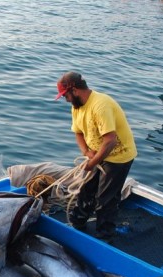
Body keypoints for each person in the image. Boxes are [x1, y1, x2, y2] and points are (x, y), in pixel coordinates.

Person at [54, 71, 137, 238]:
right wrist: (86, 152)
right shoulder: (77, 107)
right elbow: (78, 133)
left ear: (75, 90)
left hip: (118, 156)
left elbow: (110, 140)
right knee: (86, 189)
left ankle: (104, 235)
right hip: (96, 154)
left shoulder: (101, 105)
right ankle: (78, 222)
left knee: (106, 199)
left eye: (66, 95)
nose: (66, 99)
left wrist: (92, 164)